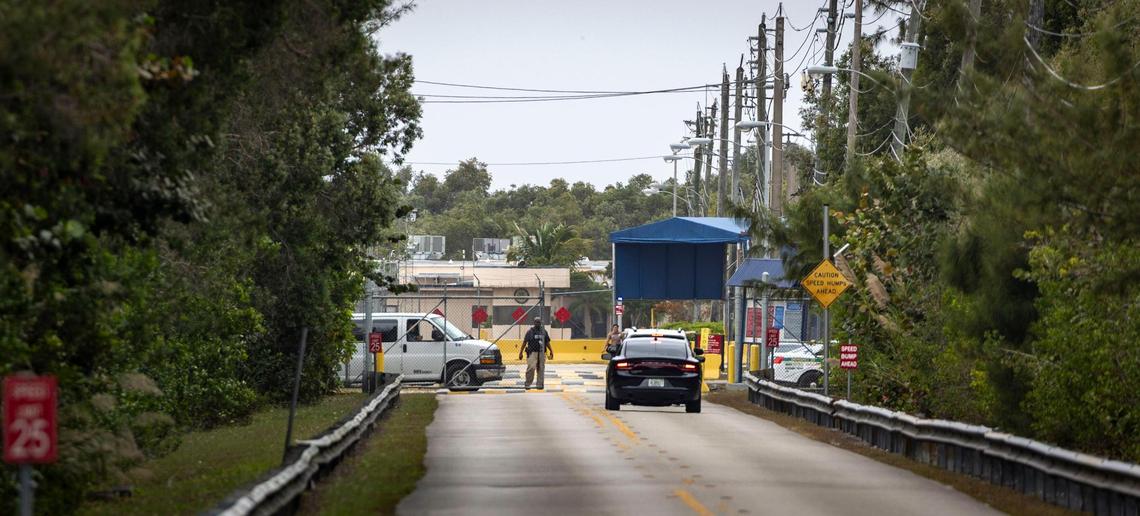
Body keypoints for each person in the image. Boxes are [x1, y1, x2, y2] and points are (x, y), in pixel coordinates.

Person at [519, 317, 553, 389]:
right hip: (532, 353)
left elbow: (547, 342)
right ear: (534, 322)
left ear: (541, 323)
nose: (538, 323)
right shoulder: (530, 332)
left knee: (541, 369)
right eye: (536, 322)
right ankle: (527, 384)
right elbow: (524, 342)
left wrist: (551, 351)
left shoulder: (544, 331)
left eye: (539, 322)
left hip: (541, 353)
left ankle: (540, 384)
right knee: (531, 368)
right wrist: (520, 352)